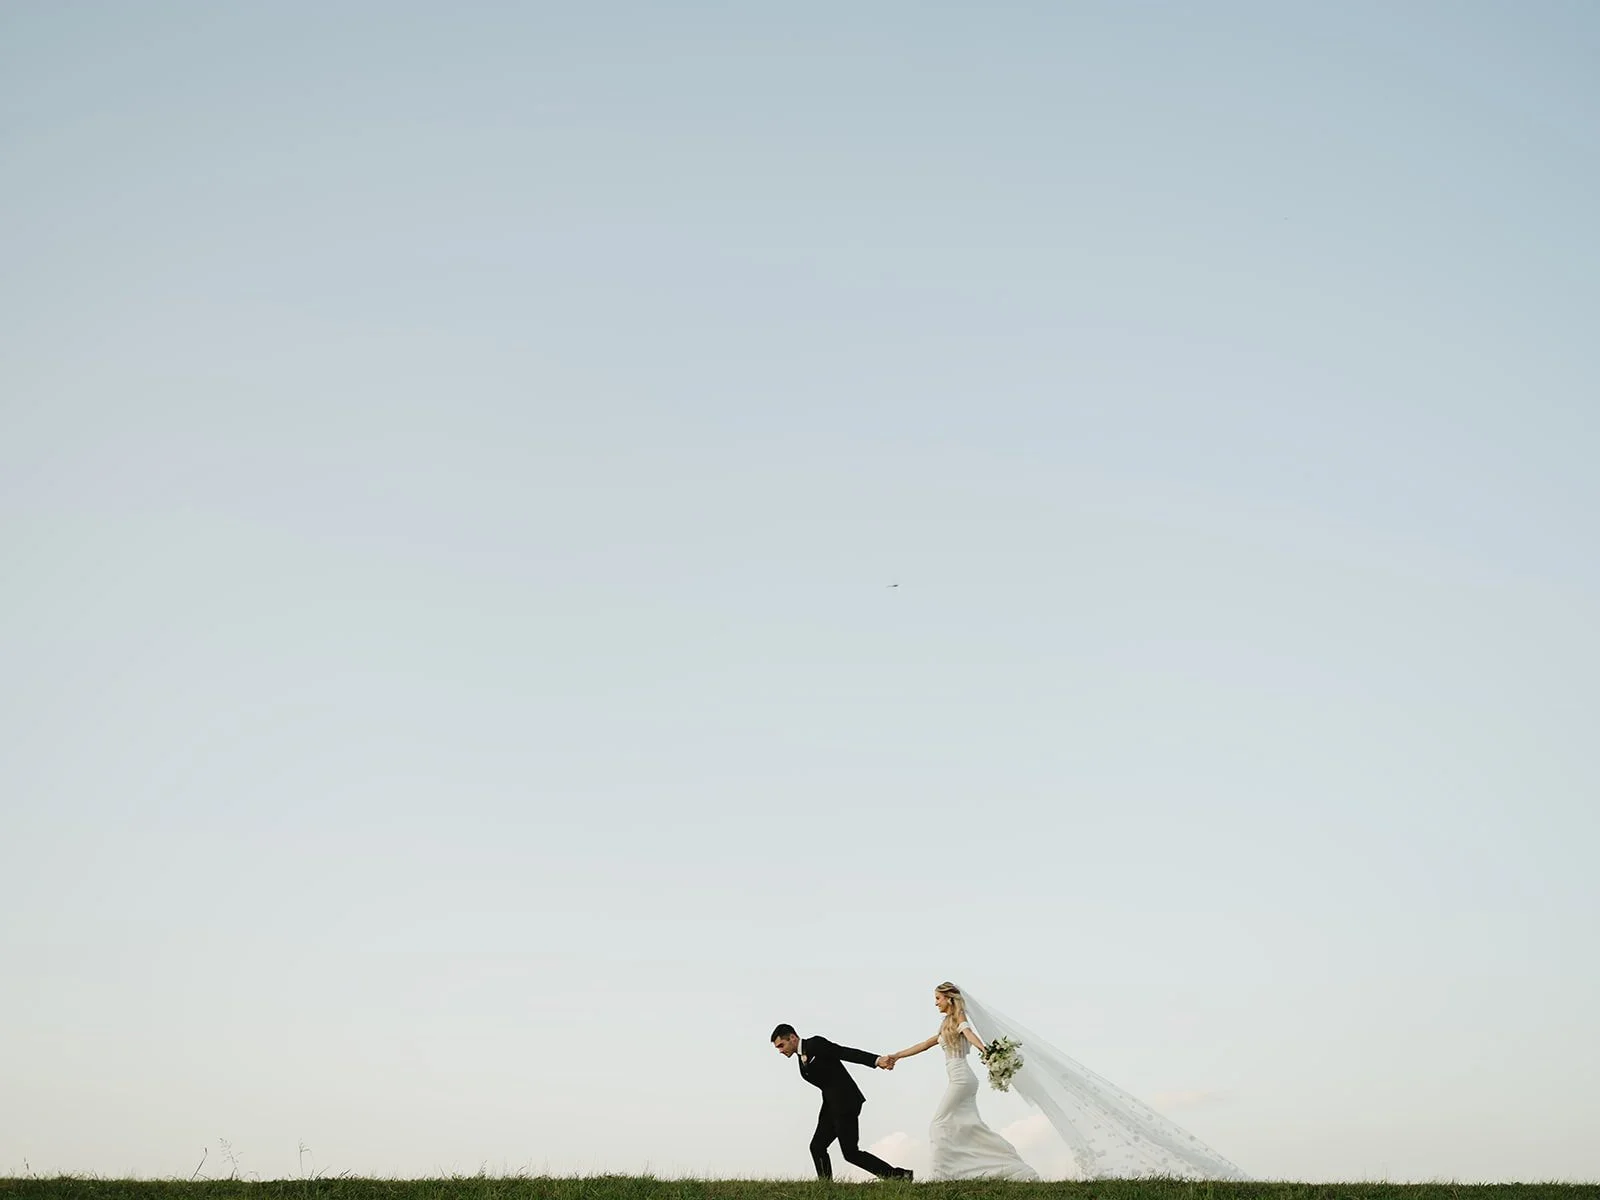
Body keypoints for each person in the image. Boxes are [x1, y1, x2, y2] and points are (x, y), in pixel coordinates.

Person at [880, 982, 1039, 1180]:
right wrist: (897, 1056)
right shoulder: (946, 1022)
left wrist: (986, 1051)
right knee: (969, 1126)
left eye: (938, 998)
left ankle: (942, 1174)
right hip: (961, 1079)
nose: (936, 1003)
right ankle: (1002, 1164)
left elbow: (968, 1033)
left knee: (938, 1124)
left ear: (949, 998)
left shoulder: (959, 1017)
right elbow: (924, 1044)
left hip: (962, 1079)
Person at [771, 1023, 914, 1181]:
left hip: (846, 1102)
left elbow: (844, 1052)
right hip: (830, 1106)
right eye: (778, 1048)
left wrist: (876, 1060)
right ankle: (826, 1187)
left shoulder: (815, 1044)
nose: (780, 1050)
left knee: (850, 1153)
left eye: (781, 1045)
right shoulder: (800, 1060)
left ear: (792, 1037)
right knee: (817, 1146)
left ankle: (899, 1175)